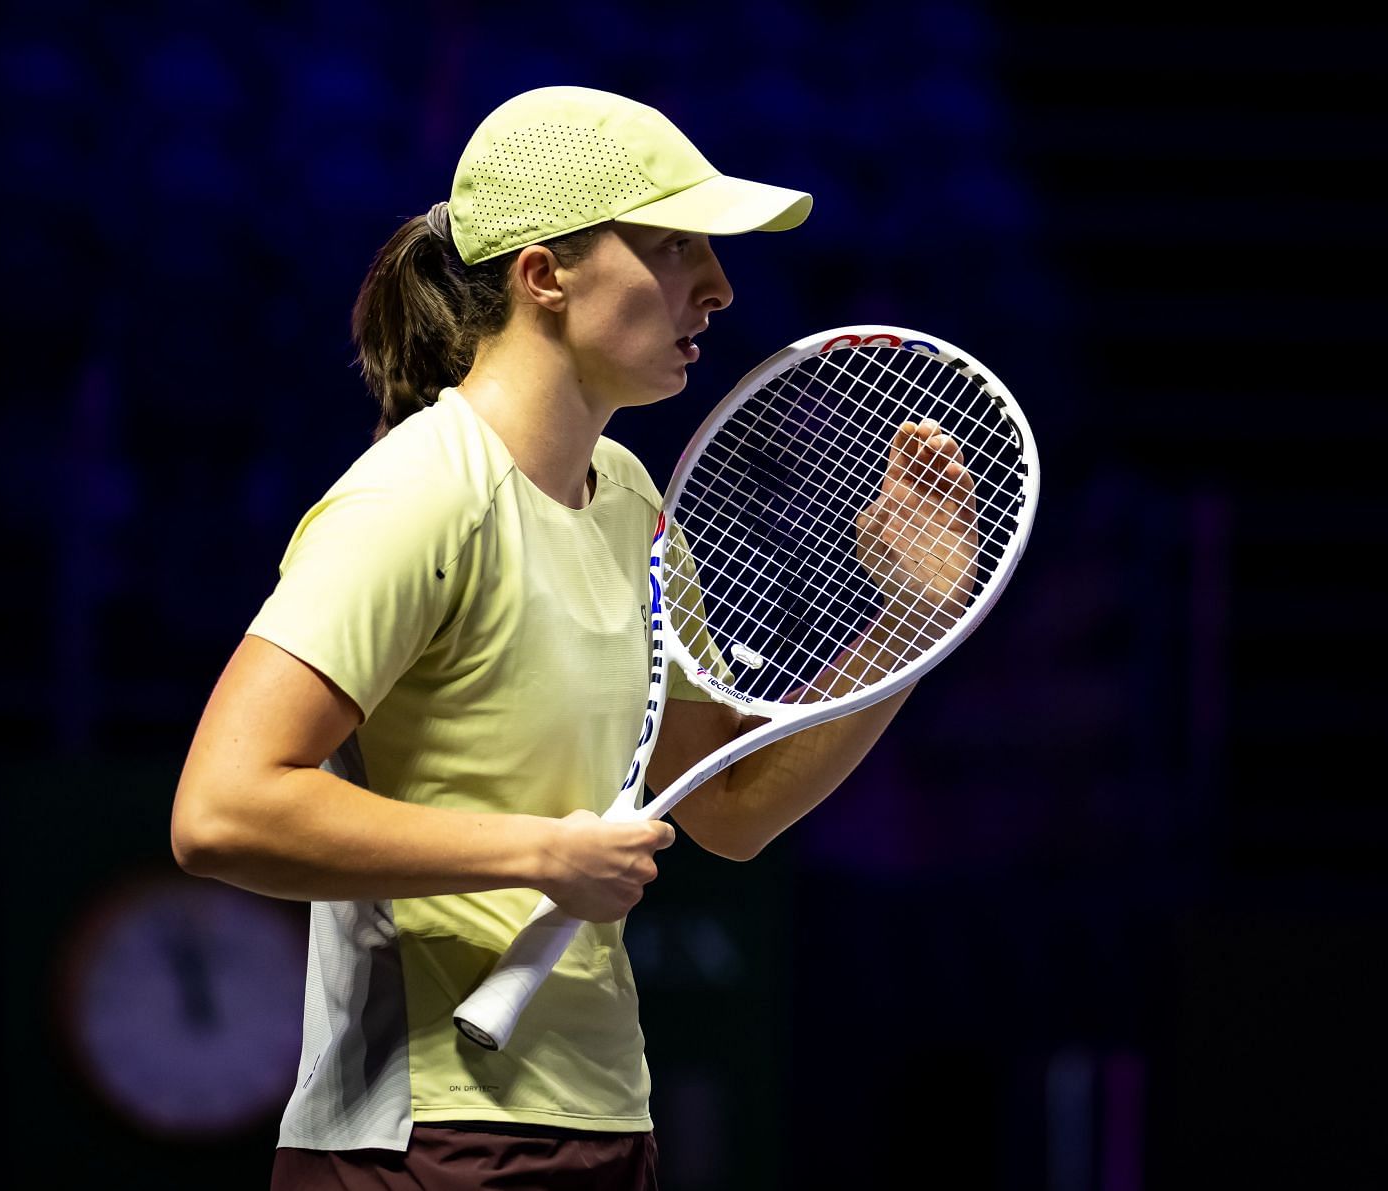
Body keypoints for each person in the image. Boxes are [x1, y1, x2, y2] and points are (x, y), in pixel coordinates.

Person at [171, 85, 969, 1190]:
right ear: (545, 275)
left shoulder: (631, 500)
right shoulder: (419, 496)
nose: (720, 287)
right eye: (673, 248)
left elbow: (729, 809)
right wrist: (537, 852)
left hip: (600, 1119)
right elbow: (222, 808)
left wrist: (910, 621)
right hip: (419, 1139)